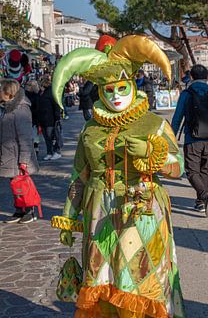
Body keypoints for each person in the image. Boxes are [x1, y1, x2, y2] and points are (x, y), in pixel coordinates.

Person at [51, 35, 185, 318]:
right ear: (99, 90)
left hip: (143, 210)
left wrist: (152, 154)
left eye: (121, 87)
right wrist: (69, 217)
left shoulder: (155, 123)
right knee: (104, 277)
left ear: (132, 84)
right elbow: (79, 175)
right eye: (108, 89)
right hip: (99, 212)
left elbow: (178, 167)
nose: (115, 96)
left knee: (137, 280)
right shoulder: (90, 129)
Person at [171, 64, 208, 216]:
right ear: (206, 77)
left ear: (192, 77)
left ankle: (205, 196)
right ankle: (200, 203)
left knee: (191, 171)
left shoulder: (187, 94)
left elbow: (177, 118)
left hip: (192, 138)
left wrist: (170, 137)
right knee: (203, 170)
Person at [0, 79, 39, 223]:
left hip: (18, 155)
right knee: (14, 184)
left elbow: (25, 136)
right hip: (9, 153)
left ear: (8, 93)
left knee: (22, 184)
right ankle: (19, 209)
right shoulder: (6, 107)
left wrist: (24, 159)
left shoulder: (21, 109)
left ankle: (29, 210)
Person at [37, 75, 62, 161]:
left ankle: (57, 152)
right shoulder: (41, 92)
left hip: (50, 119)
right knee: (47, 137)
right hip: (43, 118)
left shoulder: (51, 92)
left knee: (52, 136)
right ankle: (49, 152)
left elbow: (56, 106)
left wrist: (57, 118)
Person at [25, 80, 40, 157]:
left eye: (28, 85)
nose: (26, 86)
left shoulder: (34, 96)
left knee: (33, 136)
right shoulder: (36, 95)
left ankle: (35, 152)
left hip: (32, 119)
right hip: (32, 119)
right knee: (34, 136)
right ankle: (35, 151)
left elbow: (36, 108)